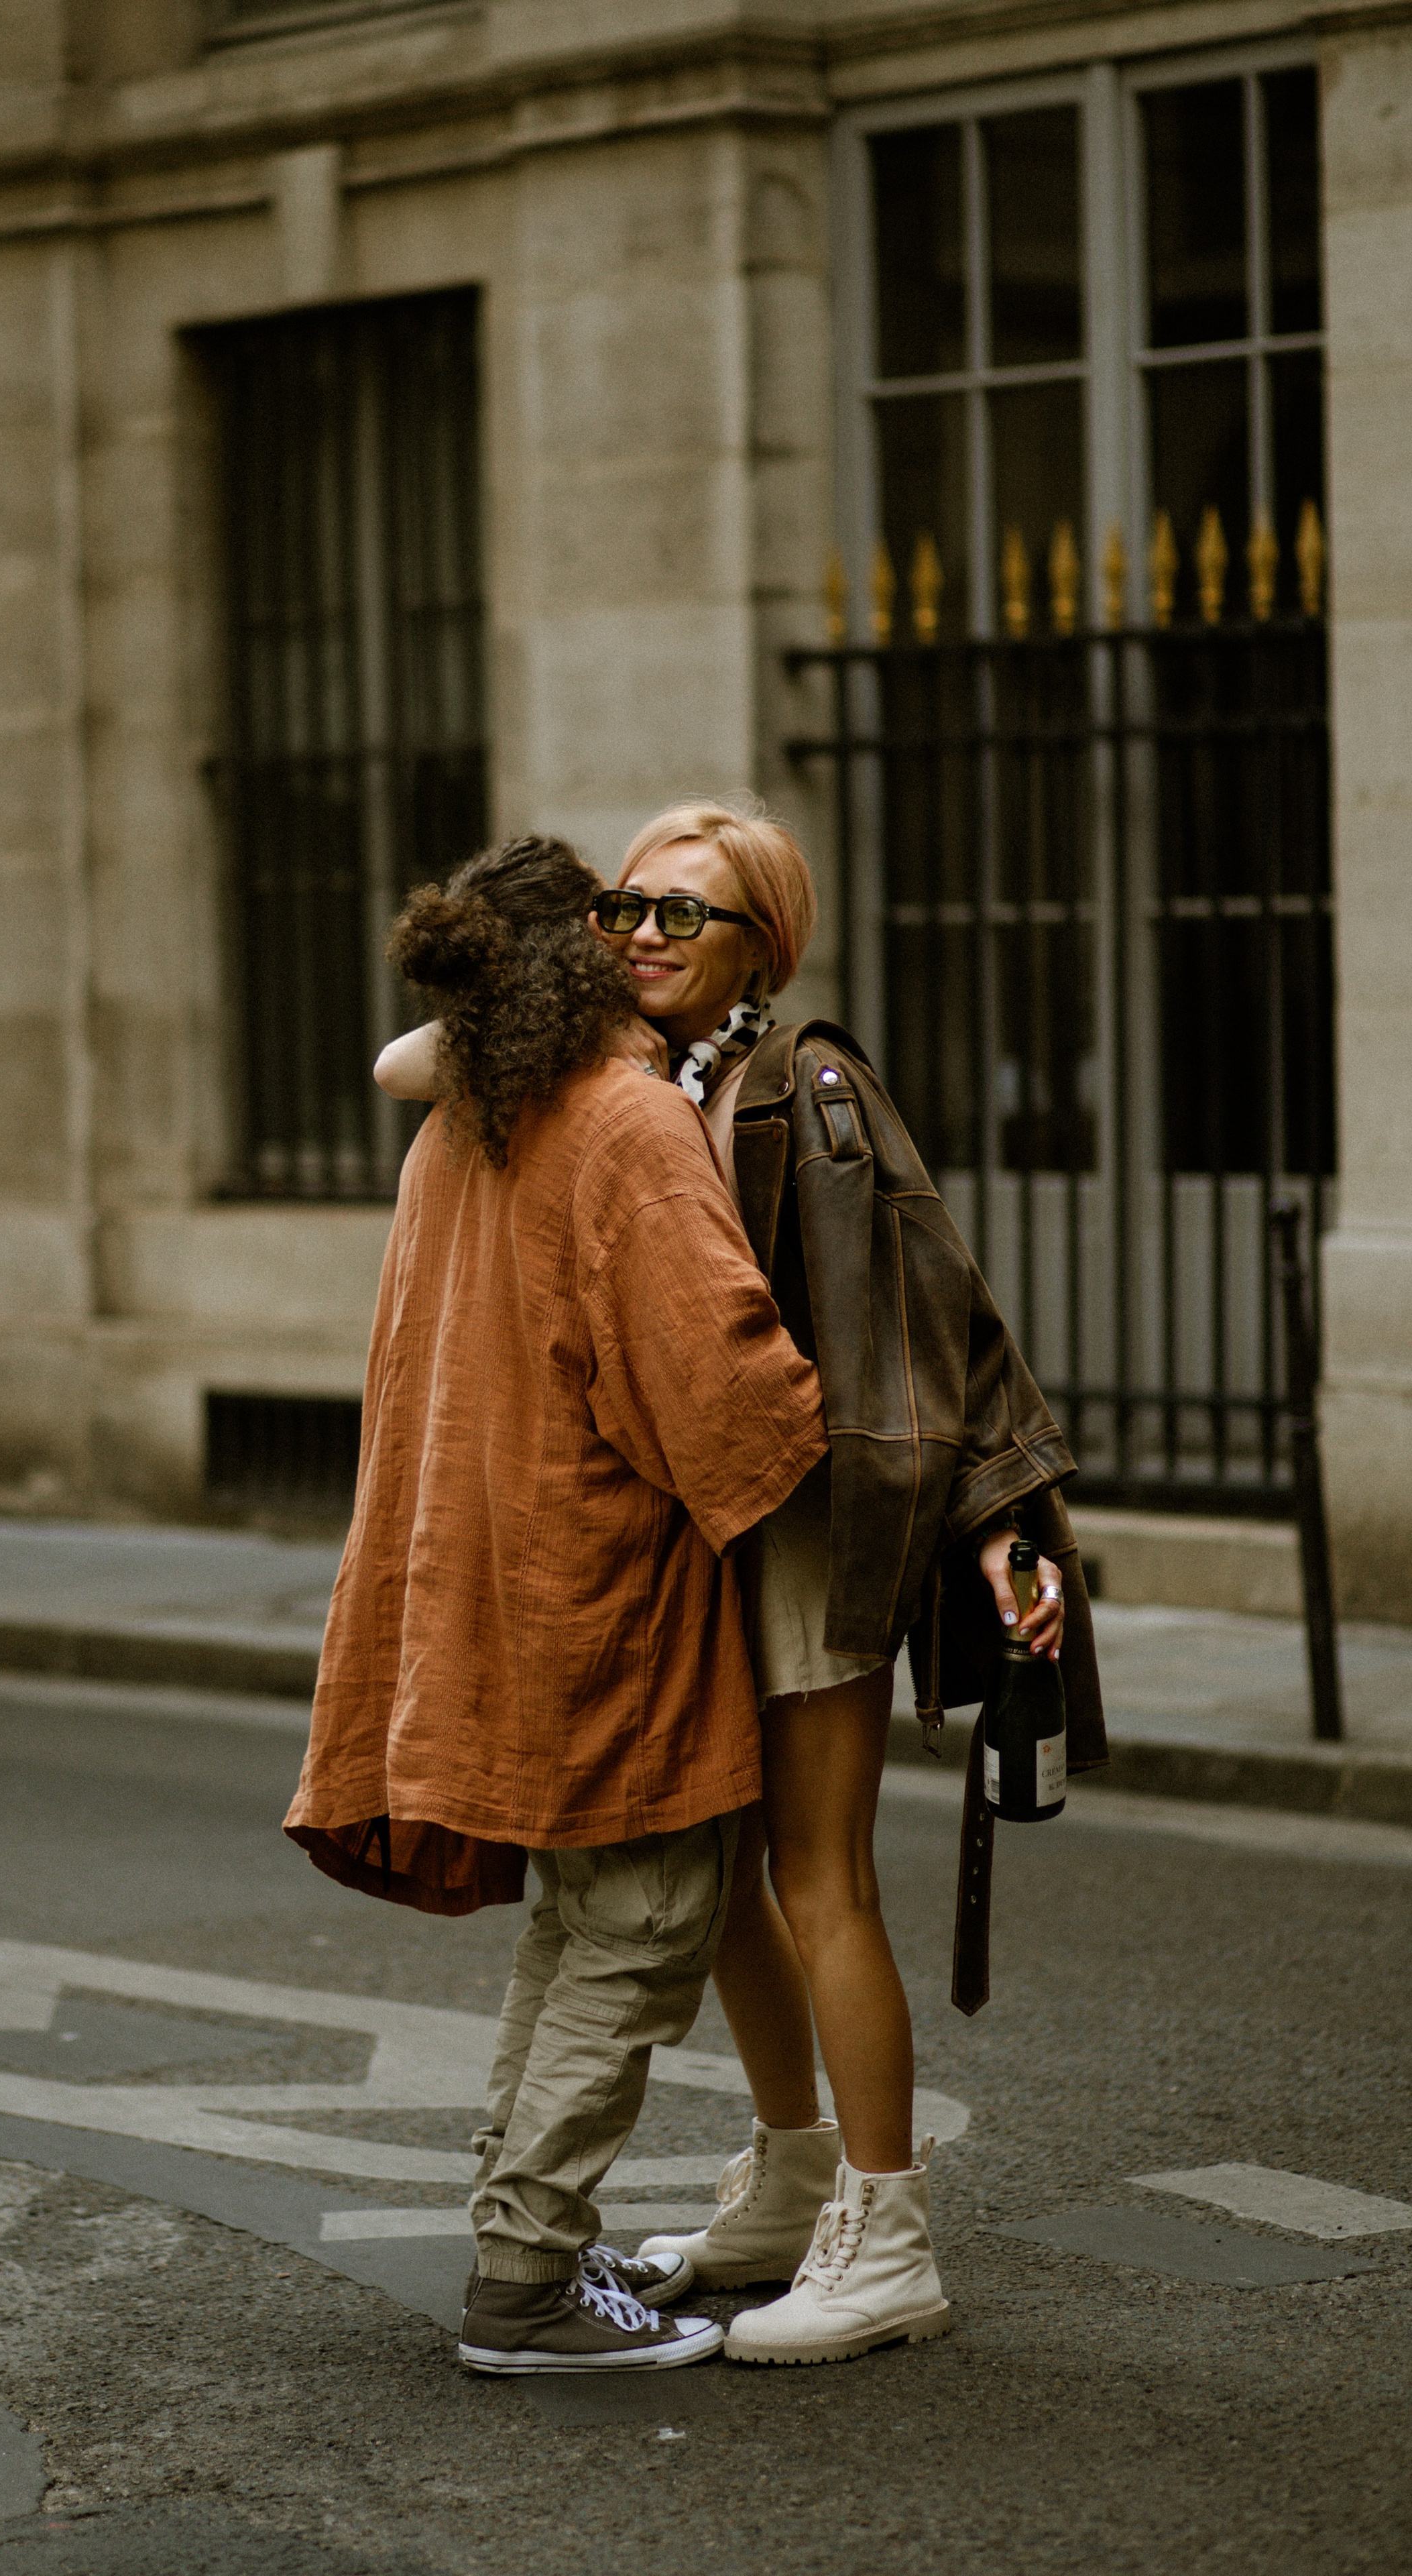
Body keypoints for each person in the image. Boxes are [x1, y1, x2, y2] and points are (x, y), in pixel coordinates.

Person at [379, 797, 1106, 2370]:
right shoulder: (623, 1075)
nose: (641, 934)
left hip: (802, 1526)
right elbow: (402, 1063)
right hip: (696, 1534)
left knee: (815, 1879)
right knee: (703, 1888)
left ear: (761, 947)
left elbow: (934, 1310)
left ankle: (885, 2229)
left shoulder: (805, 1082)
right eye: (623, 906)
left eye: (683, 916)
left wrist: (1002, 1525)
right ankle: (783, 2184)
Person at [285, 834, 832, 2375]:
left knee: (573, 1938)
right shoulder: (624, 1124)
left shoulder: (469, 1113)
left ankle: (524, 2238)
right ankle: (522, 2285)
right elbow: (727, 1400)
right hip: (601, 1603)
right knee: (640, 1933)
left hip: (484, 1584)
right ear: (587, 960)